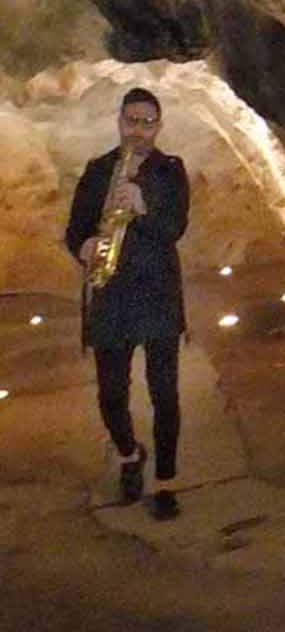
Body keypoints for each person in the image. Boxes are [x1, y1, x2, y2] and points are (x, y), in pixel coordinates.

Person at [65, 88, 190, 521]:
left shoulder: (170, 171)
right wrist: (83, 246)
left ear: (158, 126)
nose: (138, 130)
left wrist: (143, 207)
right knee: (111, 396)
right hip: (111, 297)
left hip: (157, 295)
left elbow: (175, 228)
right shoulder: (98, 171)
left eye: (147, 122)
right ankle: (130, 453)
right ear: (120, 121)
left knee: (165, 395)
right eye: (132, 120)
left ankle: (166, 482)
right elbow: (75, 229)